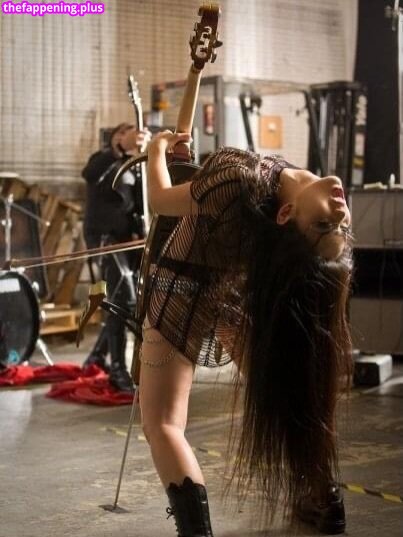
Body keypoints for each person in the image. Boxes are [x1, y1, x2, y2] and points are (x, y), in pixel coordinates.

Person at [138, 131, 353, 536]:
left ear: (286, 215)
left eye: (324, 223)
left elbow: (161, 201)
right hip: (231, 293)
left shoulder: (236, 183)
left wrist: (155, 150)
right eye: (337, 224)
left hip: (183, 290)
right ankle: (324, 500)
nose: (340, 212)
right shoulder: (281, 188)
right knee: (282, 395)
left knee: (162, 424)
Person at [82, 123, 150, 392]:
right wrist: (119, 147)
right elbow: (90, 174)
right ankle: (118, 370)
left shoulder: (135, 167)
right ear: (116, 137)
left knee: (123, 303)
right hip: (104, 240)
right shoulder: (102, 160)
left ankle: (96, 356)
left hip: (128, 242)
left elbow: (138, 206)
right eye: (124, 134)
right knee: (124, 299)